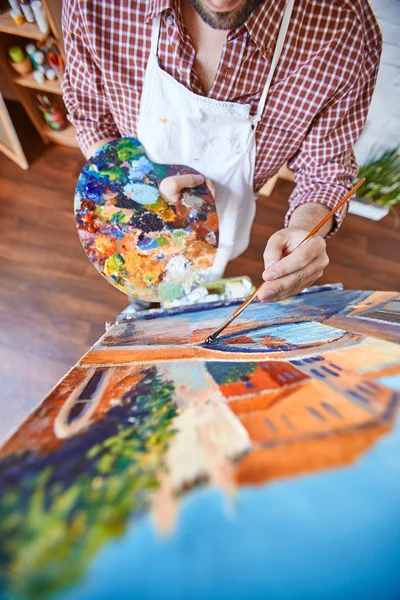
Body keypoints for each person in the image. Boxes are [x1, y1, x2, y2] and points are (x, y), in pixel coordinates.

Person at [62, 0, 381, 302]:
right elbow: (92, 119)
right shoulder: (93, 6)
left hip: (223, 229)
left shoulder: (343, 32)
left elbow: (323, 171)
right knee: (145, 285)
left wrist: (305, 229)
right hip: (129, 217)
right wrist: (140, 184)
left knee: (197, 281)